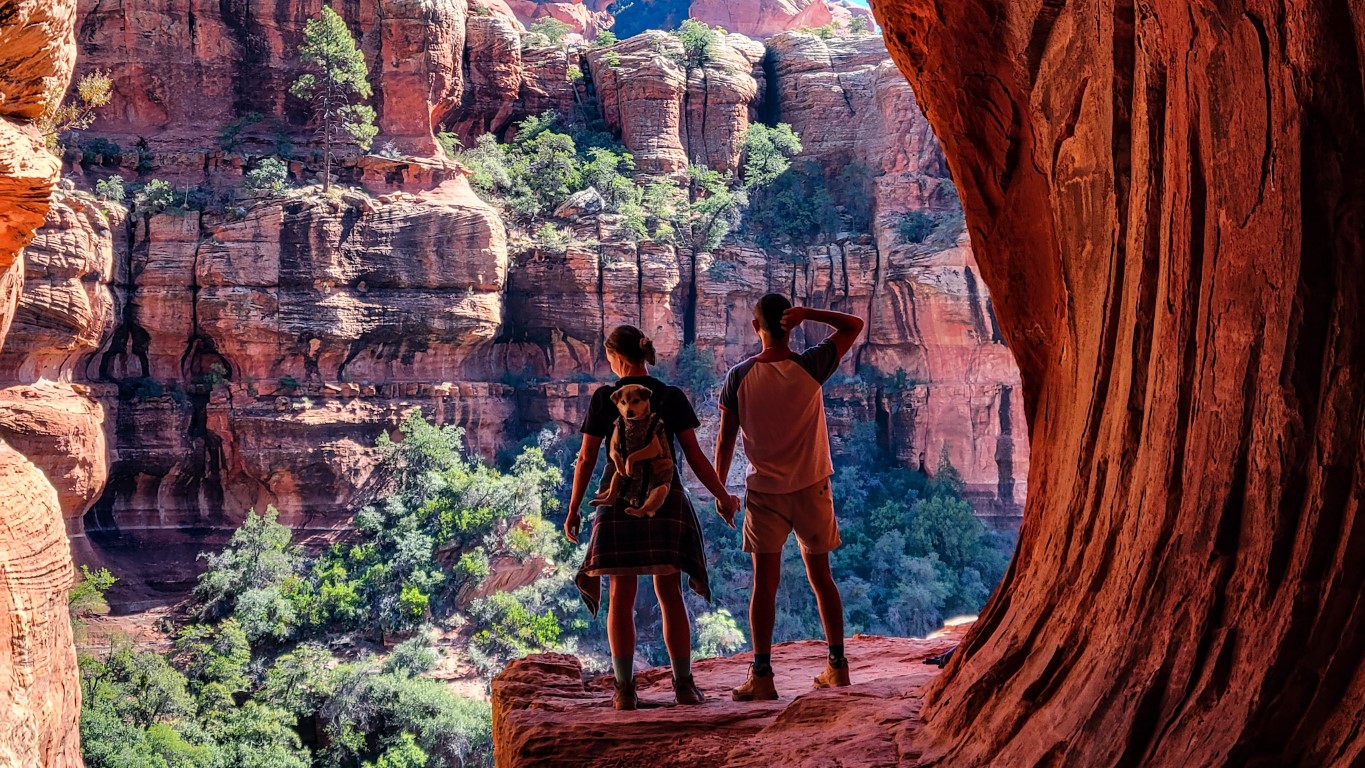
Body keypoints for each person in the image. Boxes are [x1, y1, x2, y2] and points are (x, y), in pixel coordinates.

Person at [565, 324, 742, 710]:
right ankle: (684, 687)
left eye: (608, 357)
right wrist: (723, 495)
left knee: (621, 597)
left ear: (619, 359)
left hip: (616, 505)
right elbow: (694, 456)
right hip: (666, 504)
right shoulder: (671, 396)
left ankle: (624, 692)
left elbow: (586, 458)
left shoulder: (605, 399)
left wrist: (575, 506)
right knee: (670, 595)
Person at [713, 294, 865, 701]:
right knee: (822, 578)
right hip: (812, 486)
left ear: (755, 327)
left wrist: (720, 490)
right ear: (790, 326)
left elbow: (726, 439)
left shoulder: (738, 376)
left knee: (765, 584)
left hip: (764, 493)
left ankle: (762, 675)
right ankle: (838, 667)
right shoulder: (810, 365)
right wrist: (810, 314)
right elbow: (854, 325)